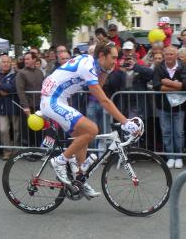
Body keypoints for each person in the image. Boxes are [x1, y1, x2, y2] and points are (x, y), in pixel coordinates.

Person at [40, 41, 141, 197]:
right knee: (92, 129)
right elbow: (103, 100)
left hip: (59, 99)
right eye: (113, 58)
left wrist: (106, 72)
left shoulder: (92, 63)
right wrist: (125, 122)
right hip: (52, 100)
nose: (116, 61)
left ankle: (79, 180)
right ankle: (60, 161)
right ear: (102, 55)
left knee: (83, 135)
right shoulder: (87, 66)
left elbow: (97, 88)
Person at [153, 45, 186, 169]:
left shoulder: (183, 67)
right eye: (167, 54)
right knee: (166, 132)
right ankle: (170, 157)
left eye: (172, 54)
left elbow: (185, 85)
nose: (169, 56)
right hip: (163, 106)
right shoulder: (159, 67)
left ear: (176, 55)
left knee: (179, 132)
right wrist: (177, 85)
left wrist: (167, 82)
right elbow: (156, 86)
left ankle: (178, 156)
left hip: (180, 107)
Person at [16, 52, 44, 146]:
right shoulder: (21, 73)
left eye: (28, 59)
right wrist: (25, 106)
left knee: (39, 129)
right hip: (28, 106)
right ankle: (28, 150)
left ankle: (38, 149)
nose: (26, 61)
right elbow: (20, 91)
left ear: (34, 60)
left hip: (39, 106)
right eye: (25, 59)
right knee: (27, 130)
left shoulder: (39, 72)